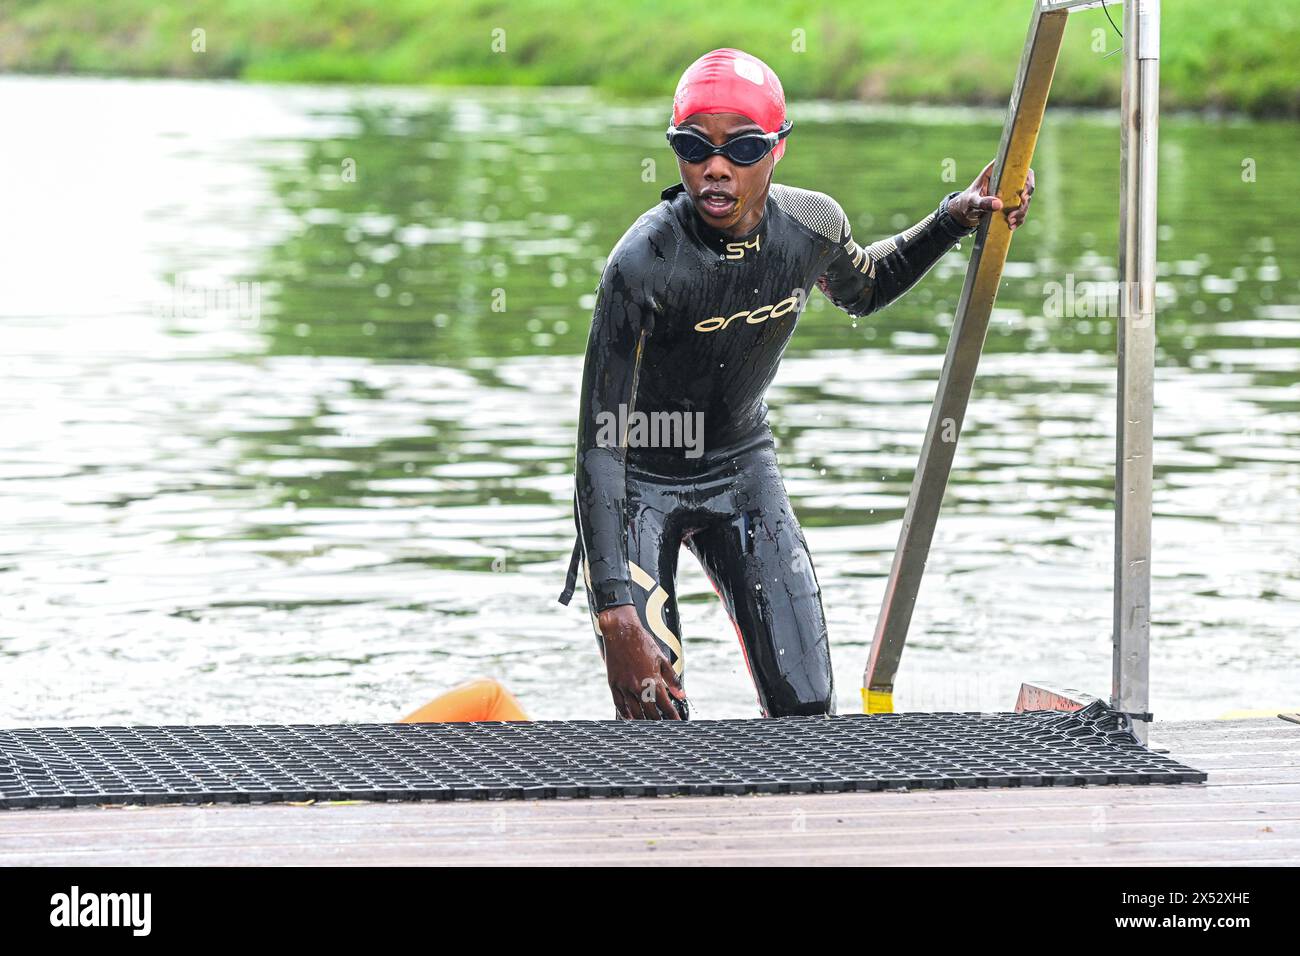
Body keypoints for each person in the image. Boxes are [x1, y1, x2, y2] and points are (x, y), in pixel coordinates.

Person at [557, 48, 1034, 720]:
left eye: (742, 149)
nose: (715, 167)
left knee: (807, 710)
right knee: (652, 718)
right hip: (640, 484)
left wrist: (955, 216)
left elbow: (865, 289)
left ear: (777, 149)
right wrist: (615, 616)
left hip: (741, 469)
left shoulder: (812, 227)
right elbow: (600, 444)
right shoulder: (642, 263)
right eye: (694, 147)